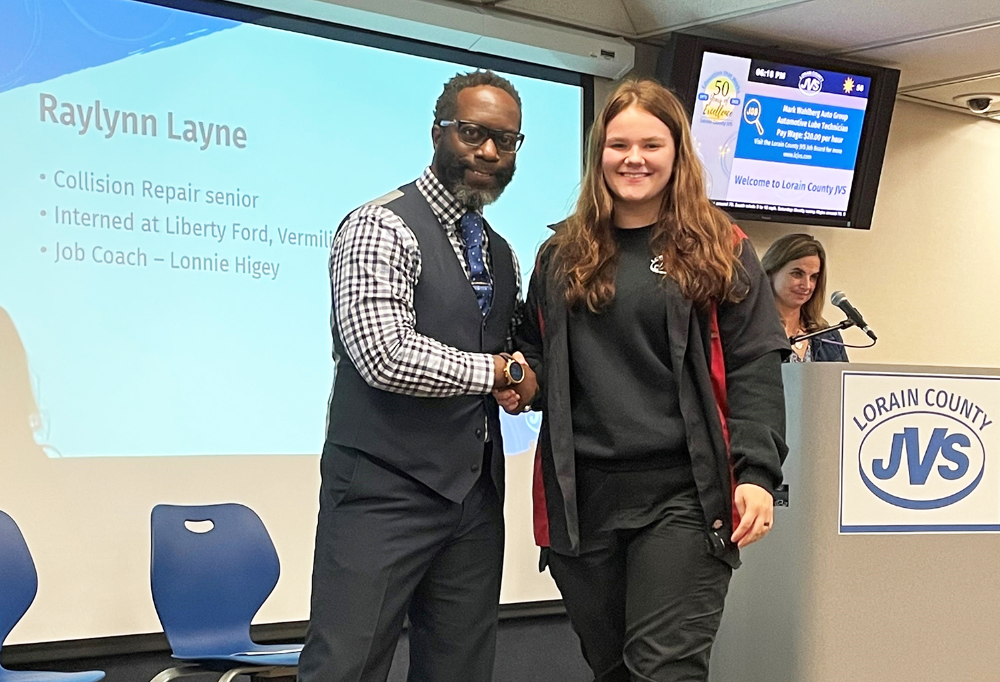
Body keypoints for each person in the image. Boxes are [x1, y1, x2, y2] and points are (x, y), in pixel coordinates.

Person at [502, 79, 789, 682]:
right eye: (618, 144)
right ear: (598, 155)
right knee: (613, 670)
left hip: (684, 495)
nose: (633, 158)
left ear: (677, 153)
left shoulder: (720, 247)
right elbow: (537, 353)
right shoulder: (562, 254)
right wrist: (516, 381)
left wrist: (759, 474)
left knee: (663, 670)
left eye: (651, 144)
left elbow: (754, 364)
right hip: (584, 499)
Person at [298, 69, 537, 682]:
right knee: (346, 668)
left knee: (459, 670)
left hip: (474, 496)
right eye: (472, 133)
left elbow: (509, 355)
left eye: (505, 141)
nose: (488, 152)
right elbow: (384, 355)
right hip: (382, 491)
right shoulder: (380, 226)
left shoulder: (504, 253)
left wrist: (524, 379)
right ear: (438, 132)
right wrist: (499, 371)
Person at [761, 233, 849, 362]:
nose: (807, 285)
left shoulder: (828, 336)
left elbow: (841, 381)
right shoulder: (753, 333)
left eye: (813, 277)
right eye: (797, 274)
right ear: (771, 272)